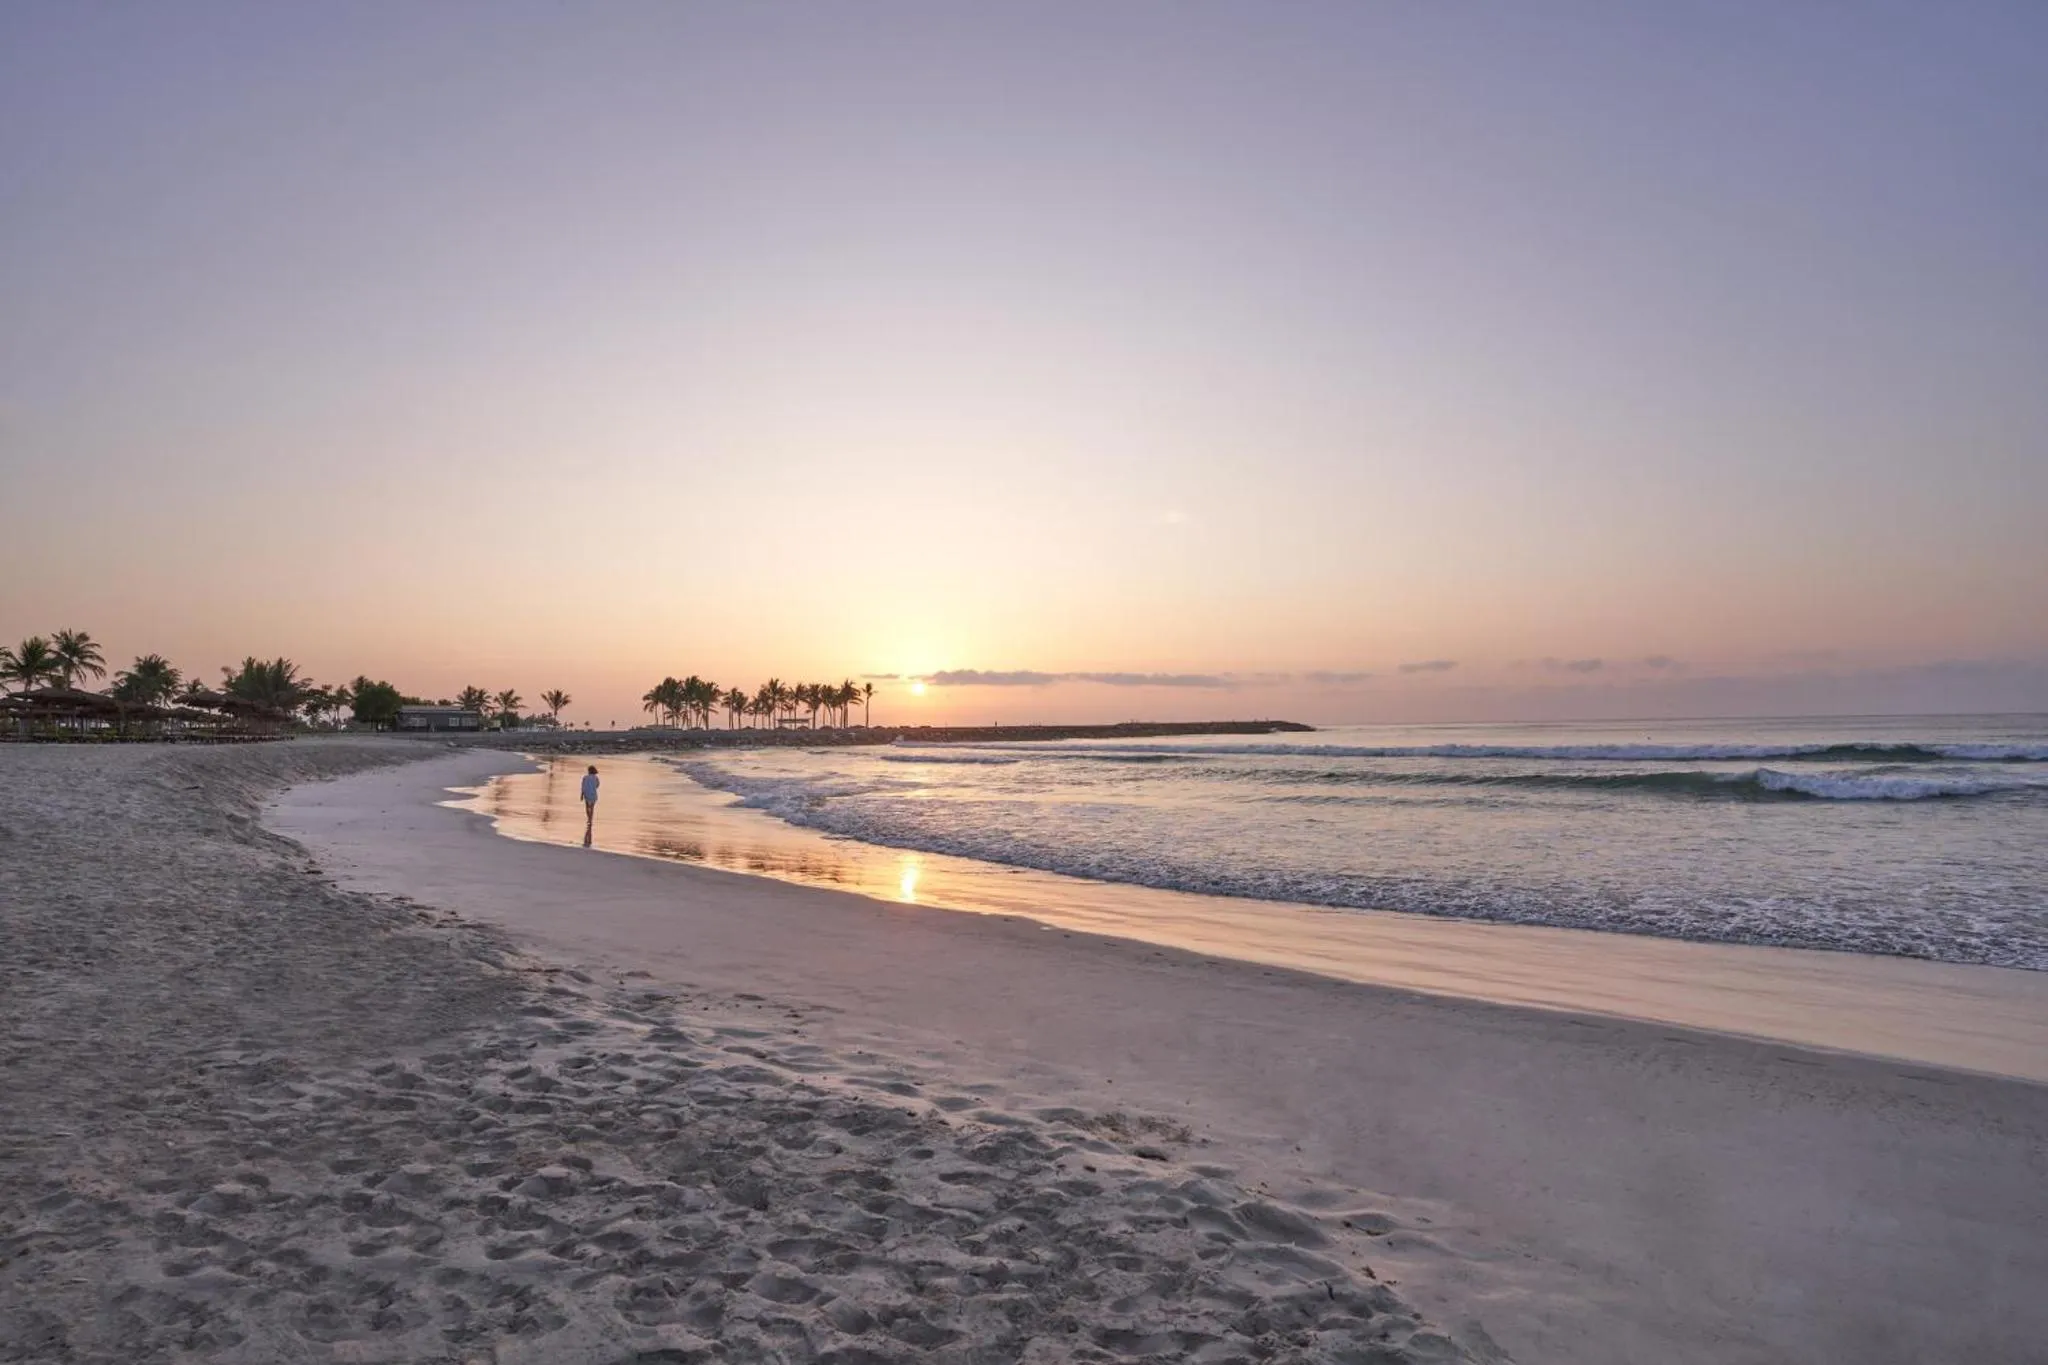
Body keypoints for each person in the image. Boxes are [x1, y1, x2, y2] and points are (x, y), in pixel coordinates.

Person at [580, 765, 599, 840]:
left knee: (587, 807)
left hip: (587, 793)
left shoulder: (585, 777)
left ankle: (589, 818)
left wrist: (581, 794)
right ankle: (590, 819)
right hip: (593, 794)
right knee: (592, 807)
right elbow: (597, 785)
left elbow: (583, 787)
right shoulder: (596, 778)